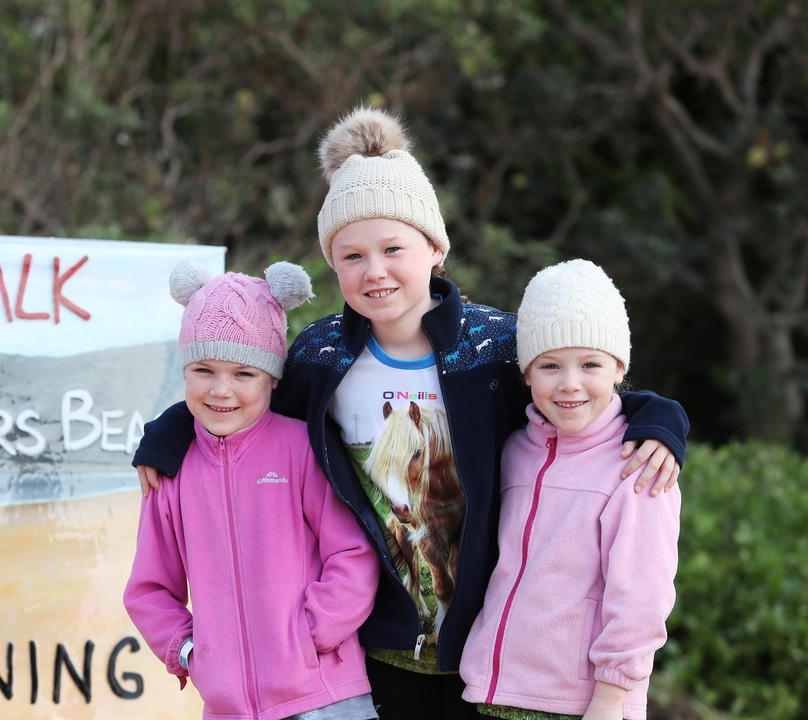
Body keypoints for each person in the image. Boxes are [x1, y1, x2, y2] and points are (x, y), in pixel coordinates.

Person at [133, 107, 689, 719]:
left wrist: (660, 420)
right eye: (351, 256)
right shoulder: (320, 357)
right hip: (378, 643)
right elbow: (239, 398)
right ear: (331, 263)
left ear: (433, 248)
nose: (374, 271)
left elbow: (575, 384)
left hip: (486, 647)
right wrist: (169, 432)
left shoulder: (493, 347)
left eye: (393, 248)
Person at [124, 261, 382, 720]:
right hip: (227, 708)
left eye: (244, 374)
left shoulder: (303, 448)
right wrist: (187, 651)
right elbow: (149, 590)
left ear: (272, 379)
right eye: (204, 369)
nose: (222, 390)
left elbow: (354, 554)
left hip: (326, 697)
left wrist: (309, 635)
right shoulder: (169, 469)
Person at [459, 259, 681, 720]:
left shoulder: (639, 463)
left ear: (620, 367)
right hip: (494, 690)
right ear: (526, 374)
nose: (570, 384)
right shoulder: (515, 449)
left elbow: (642, 598)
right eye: (550, 365)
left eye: (590, 364)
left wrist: (611, 697)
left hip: (579, 704)